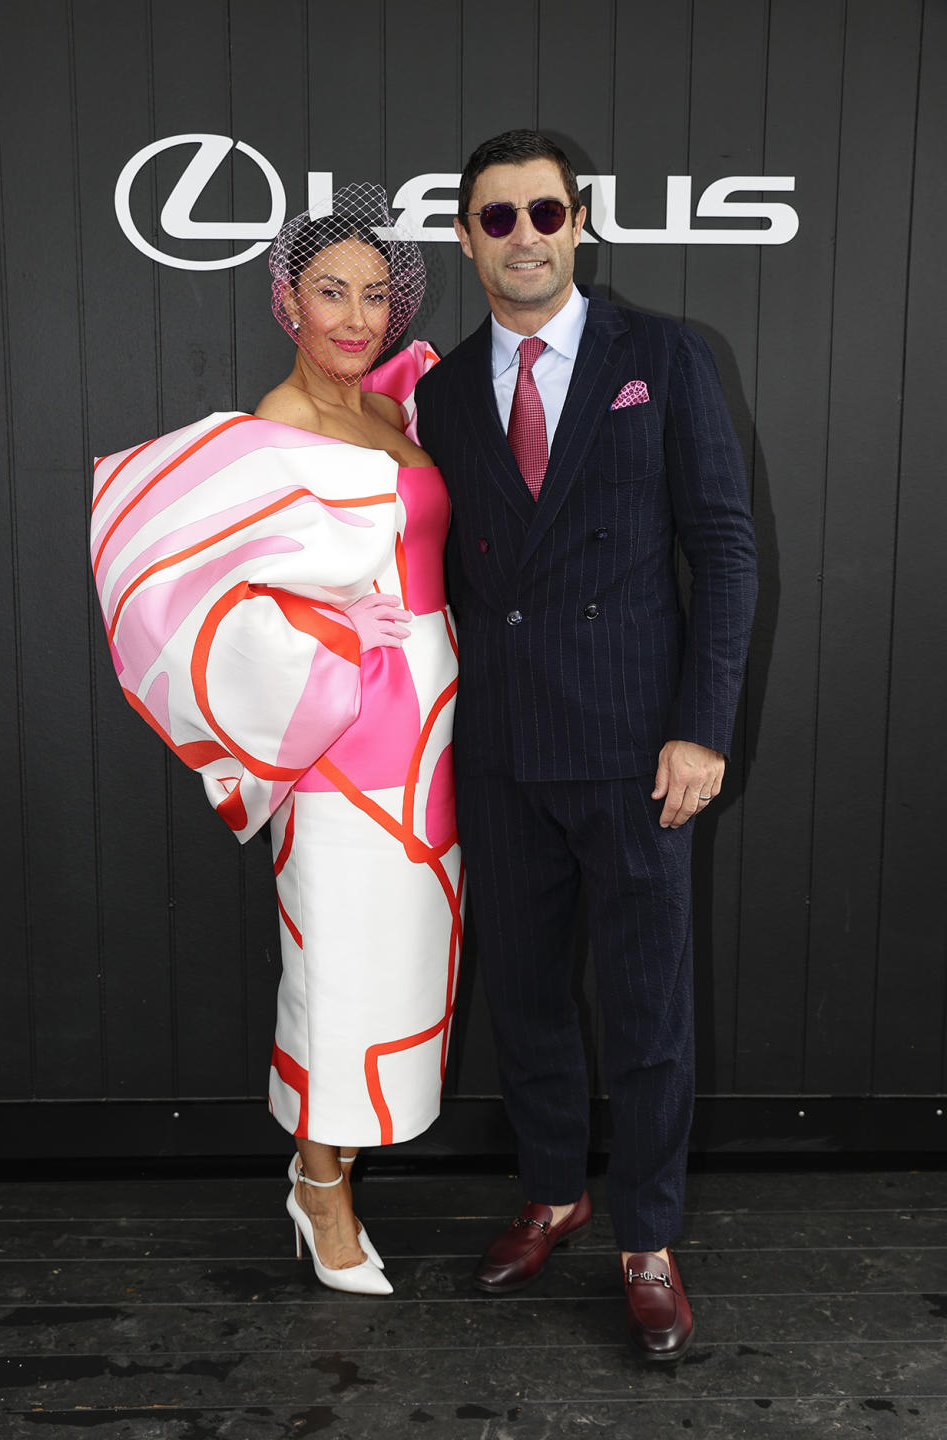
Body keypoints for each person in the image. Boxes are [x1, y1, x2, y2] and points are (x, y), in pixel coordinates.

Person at [415, 131, 757, 1359]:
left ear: (579, 223)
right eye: (496, 220)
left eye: (543, 212)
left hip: (633, 753)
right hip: (501, 751)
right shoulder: (445, 390)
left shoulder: (662, 358)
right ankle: (554, 1190)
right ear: (466, 239)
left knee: (649, 1005)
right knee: (526, 994)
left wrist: (699, 731)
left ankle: (649, 1237)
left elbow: (721, 548)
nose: (523, 237)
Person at [91, 184, 462, 1297]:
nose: (355, 316)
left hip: (436, 722)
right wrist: (325, 627)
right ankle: (319, 1186)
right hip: (347, 731)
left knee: (409, 949)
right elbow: (174, 583)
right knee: (338, 955)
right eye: (328, 291)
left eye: (373, 293)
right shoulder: (278, 427)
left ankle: (338, 1158)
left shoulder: (392, 411)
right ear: (285, 299)